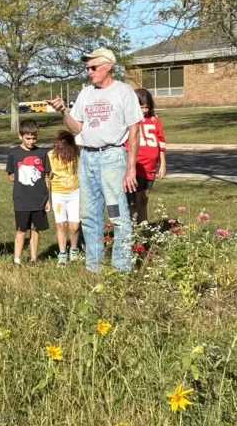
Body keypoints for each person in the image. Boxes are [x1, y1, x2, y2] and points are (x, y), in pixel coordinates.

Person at [48, 49, 142, 273]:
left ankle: (121, 268)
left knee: (117, 215)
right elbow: (76, 127)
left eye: (93, 67)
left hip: (112, 158)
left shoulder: (123, 91)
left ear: (108, 66)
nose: (89, 72)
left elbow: (134, 131)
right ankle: (94, 267)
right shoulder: (85, 94)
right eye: (87, 68)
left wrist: (130, 169)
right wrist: (63, 112)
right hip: (88, 157)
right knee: (89, 216)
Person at [7, 119, 52, 266]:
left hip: (39, 199)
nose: (32, 141)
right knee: (21, 229)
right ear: (20, 136)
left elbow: (46, 177)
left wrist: (47, 199)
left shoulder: (42, 153)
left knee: (35, 229)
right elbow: (11, 176)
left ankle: (33, 259)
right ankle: (17, 260)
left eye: (34, 138)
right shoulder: (14, 154)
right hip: (21, 200)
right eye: (28, 138)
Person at [127, 88, 167, 225]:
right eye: (141, 107)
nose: (143, 110)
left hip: (150, 167)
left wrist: (162, 164)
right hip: (136, 166)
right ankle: (133, 229)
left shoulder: (155, 120)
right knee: (134, 202)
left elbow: (161, 141)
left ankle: (144, 227)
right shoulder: (130, 121)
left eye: (146, 107)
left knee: (144, 199)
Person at [49, 130, 82, 265]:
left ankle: (73, 250)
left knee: (74, 226)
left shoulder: (76, 155)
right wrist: (47, 197)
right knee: (61, 225)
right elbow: (47, 177)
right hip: (58, 193)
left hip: (74, 193)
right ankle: (62, 254)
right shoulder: (50, 156)